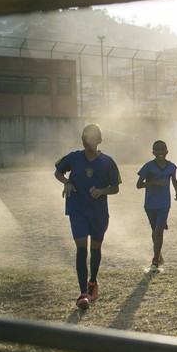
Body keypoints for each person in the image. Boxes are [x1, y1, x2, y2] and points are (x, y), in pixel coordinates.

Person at [54, 123, 121, 309]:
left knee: (95, 249)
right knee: (81, 248)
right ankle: (83, 294)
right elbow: (58, 171)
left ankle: (93, 283)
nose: (89, 140)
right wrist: (66, 181)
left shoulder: (108, 162)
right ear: (82, 139)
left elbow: (115, 188)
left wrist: (101, 190)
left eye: (93, 137)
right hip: (77, 210)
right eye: (86, 137)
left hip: (99, 213)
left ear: (100, 140)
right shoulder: (74, 158)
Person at [136, 139, 177, 273]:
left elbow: (174, 180)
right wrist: (155, 183)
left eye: (163, 149)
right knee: (154, 231)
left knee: (158, 231)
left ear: (167, 151)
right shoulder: (148, 167)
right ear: (153, 152)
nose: (161, 152)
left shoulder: (171, 167)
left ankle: (155, 261)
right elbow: (138, 185)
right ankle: (159, 254)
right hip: (150, 204)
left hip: (164, 203)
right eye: (158, 149)